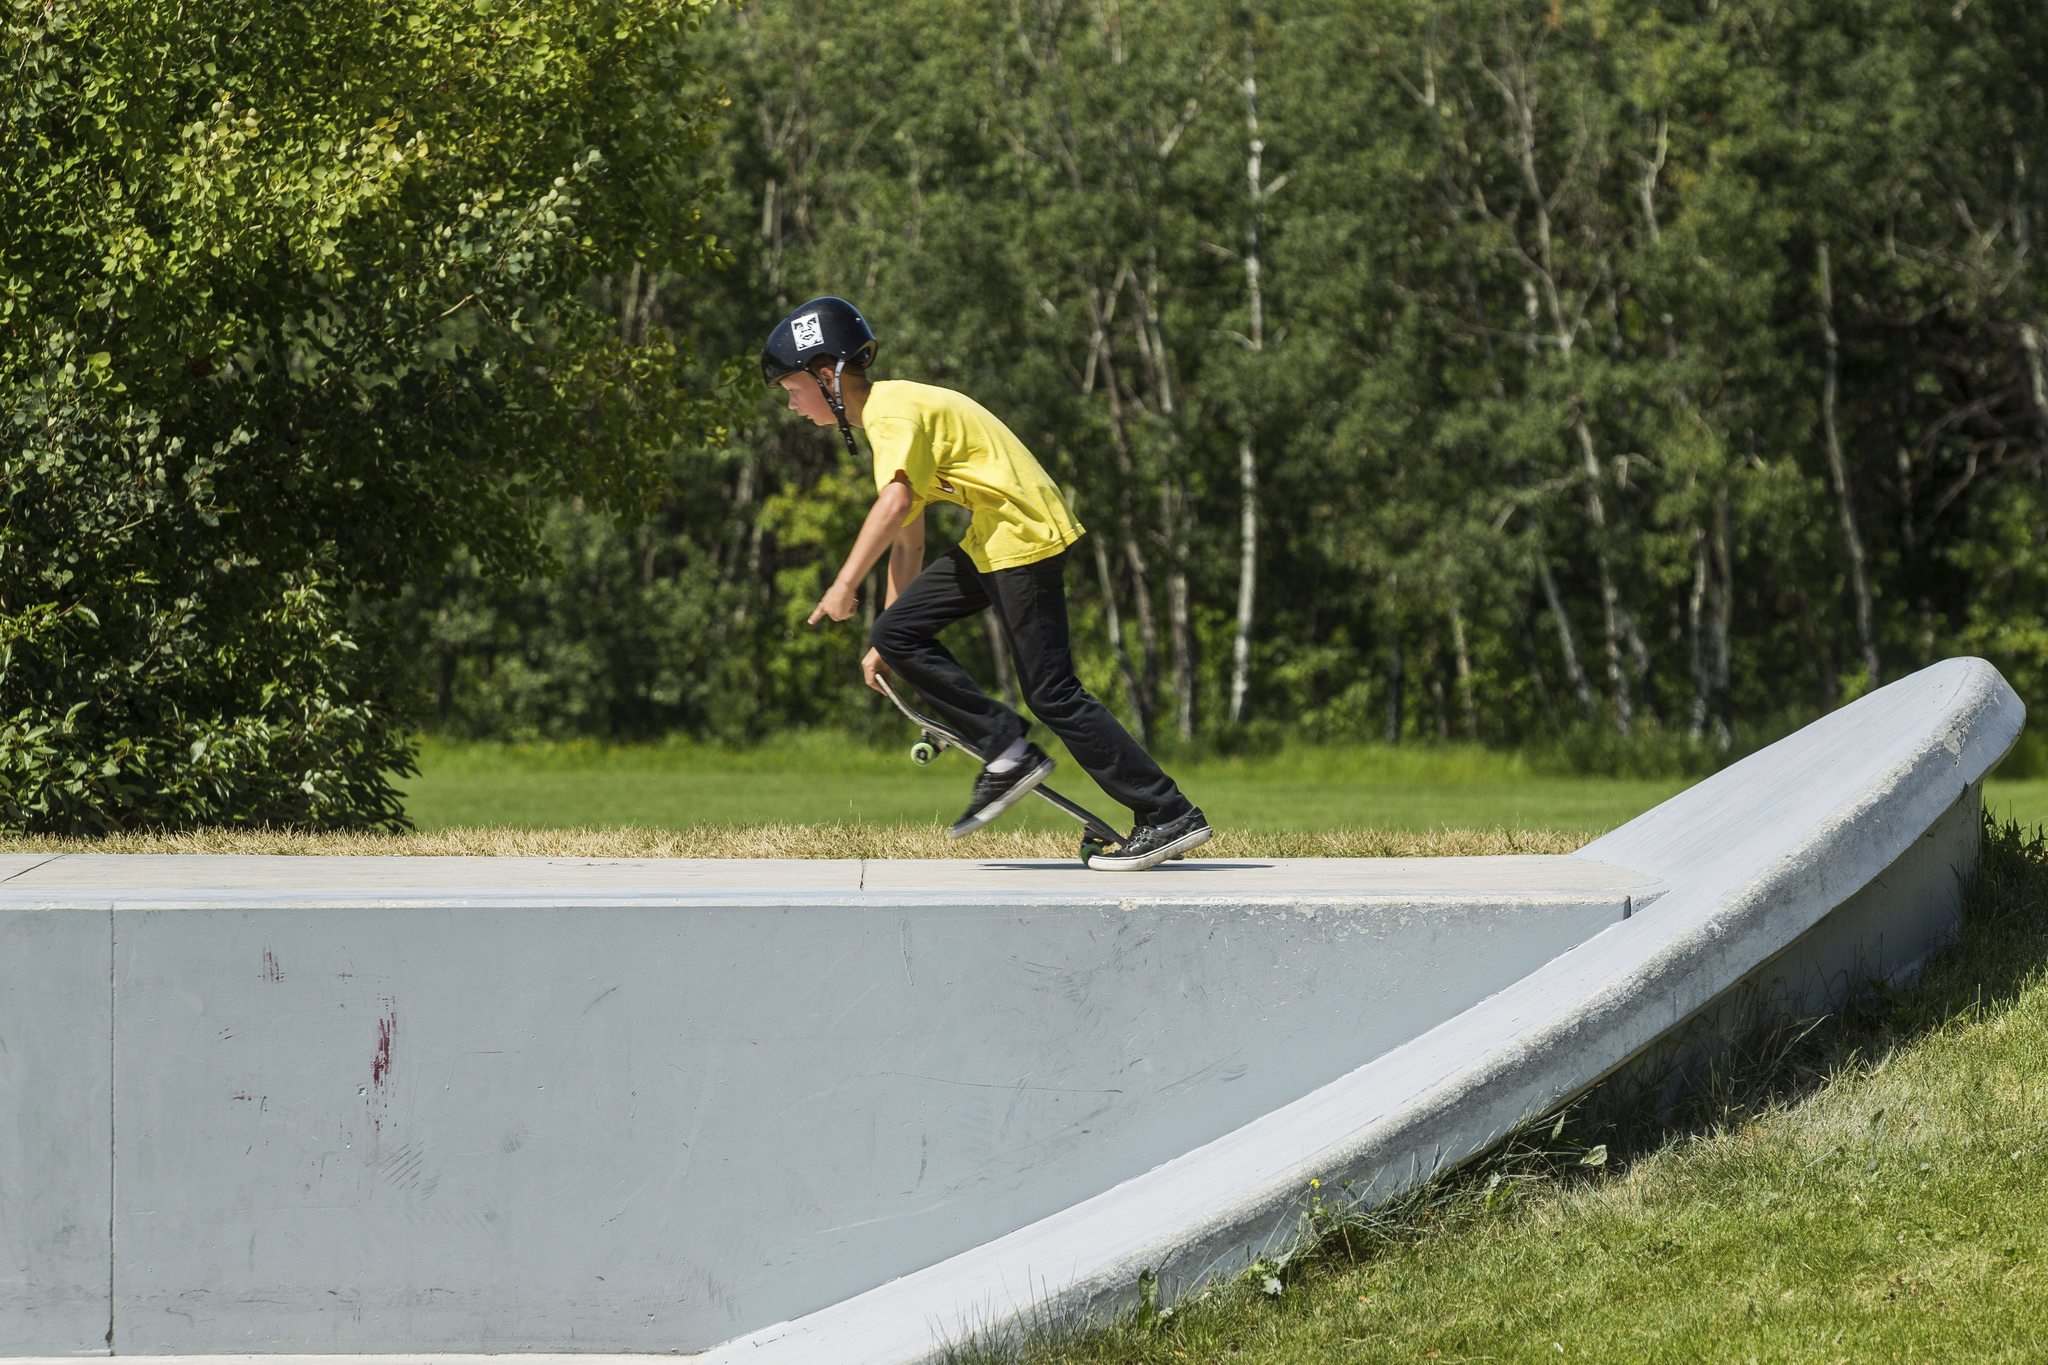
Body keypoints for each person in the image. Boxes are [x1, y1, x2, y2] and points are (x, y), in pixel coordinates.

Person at [761, 295, 1211, 871]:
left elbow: (893, 504)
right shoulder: (895, 416)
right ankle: (1009, 749)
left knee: (1052, 692)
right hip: (996, 537)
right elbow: (908, 539)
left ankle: (1164, 812)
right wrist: (890, 638)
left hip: (1021, 534)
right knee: (899, 633)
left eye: (792, 389)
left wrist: (843, 584)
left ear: (827, 376)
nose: (792, 405)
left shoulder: (892, 414)